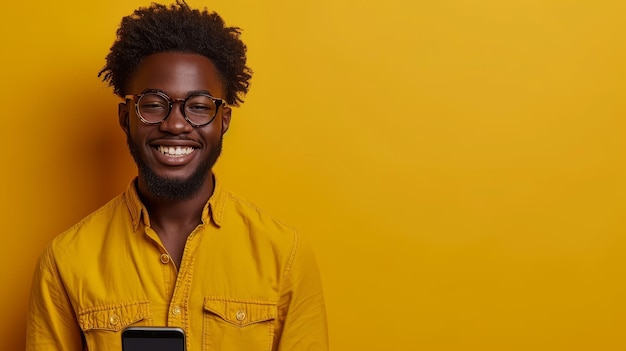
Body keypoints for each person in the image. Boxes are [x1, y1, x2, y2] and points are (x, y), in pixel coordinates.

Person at [25, 1, 328, 350]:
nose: (176, 124)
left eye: (199, 107)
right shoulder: (65, 261)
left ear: (223, 121)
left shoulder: (284, 256)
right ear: (126, 117)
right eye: (154, 104)